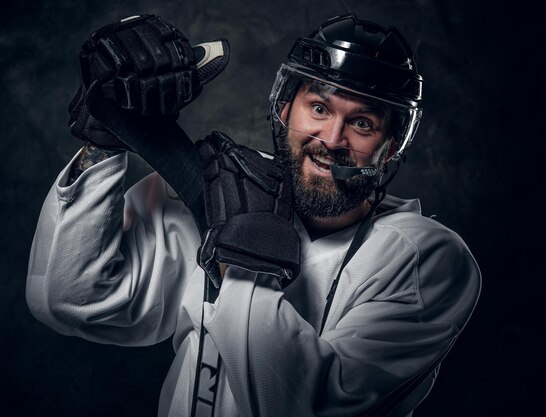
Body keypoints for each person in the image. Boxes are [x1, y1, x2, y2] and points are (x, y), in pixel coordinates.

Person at [26, 13, 481, 417]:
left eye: (362, 123)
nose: (332, 138)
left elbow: (301, 406)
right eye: (319, 108)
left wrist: (242, 251)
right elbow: (70, 299)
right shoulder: (222, 185)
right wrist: (104, 145)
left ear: (391, 147)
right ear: (285, 109)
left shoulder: (426, 259)